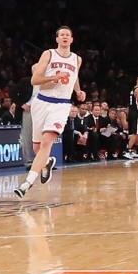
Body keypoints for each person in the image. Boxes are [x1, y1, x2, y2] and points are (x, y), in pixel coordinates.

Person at [15, 26, 85, 198]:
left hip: (61, 105)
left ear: (72, 39)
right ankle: (47, 162)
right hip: (42, 102)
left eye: (68, 35)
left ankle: (27, 183)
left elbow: (75, 76)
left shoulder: (77, 59)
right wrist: (53, 78)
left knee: (47, 141)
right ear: (57, 39)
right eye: (62, 35)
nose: (65, 37)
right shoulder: (48, 54)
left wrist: (78, 91)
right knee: (36, 147)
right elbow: (35, 80)